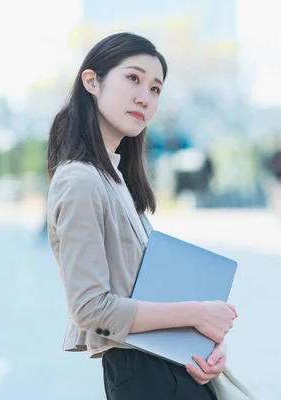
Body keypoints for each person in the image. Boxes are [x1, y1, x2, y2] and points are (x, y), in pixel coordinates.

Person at [45, 33, 237, 400]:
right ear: (92, 81)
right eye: (133, 78)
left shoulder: (115, 178)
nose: (144, 98)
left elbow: (147, 292)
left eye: (155, 89)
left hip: (172, 367)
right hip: (144, 376)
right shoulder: (79, 179)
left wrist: (205, 340)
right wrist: (196, 314)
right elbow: (90, 308)